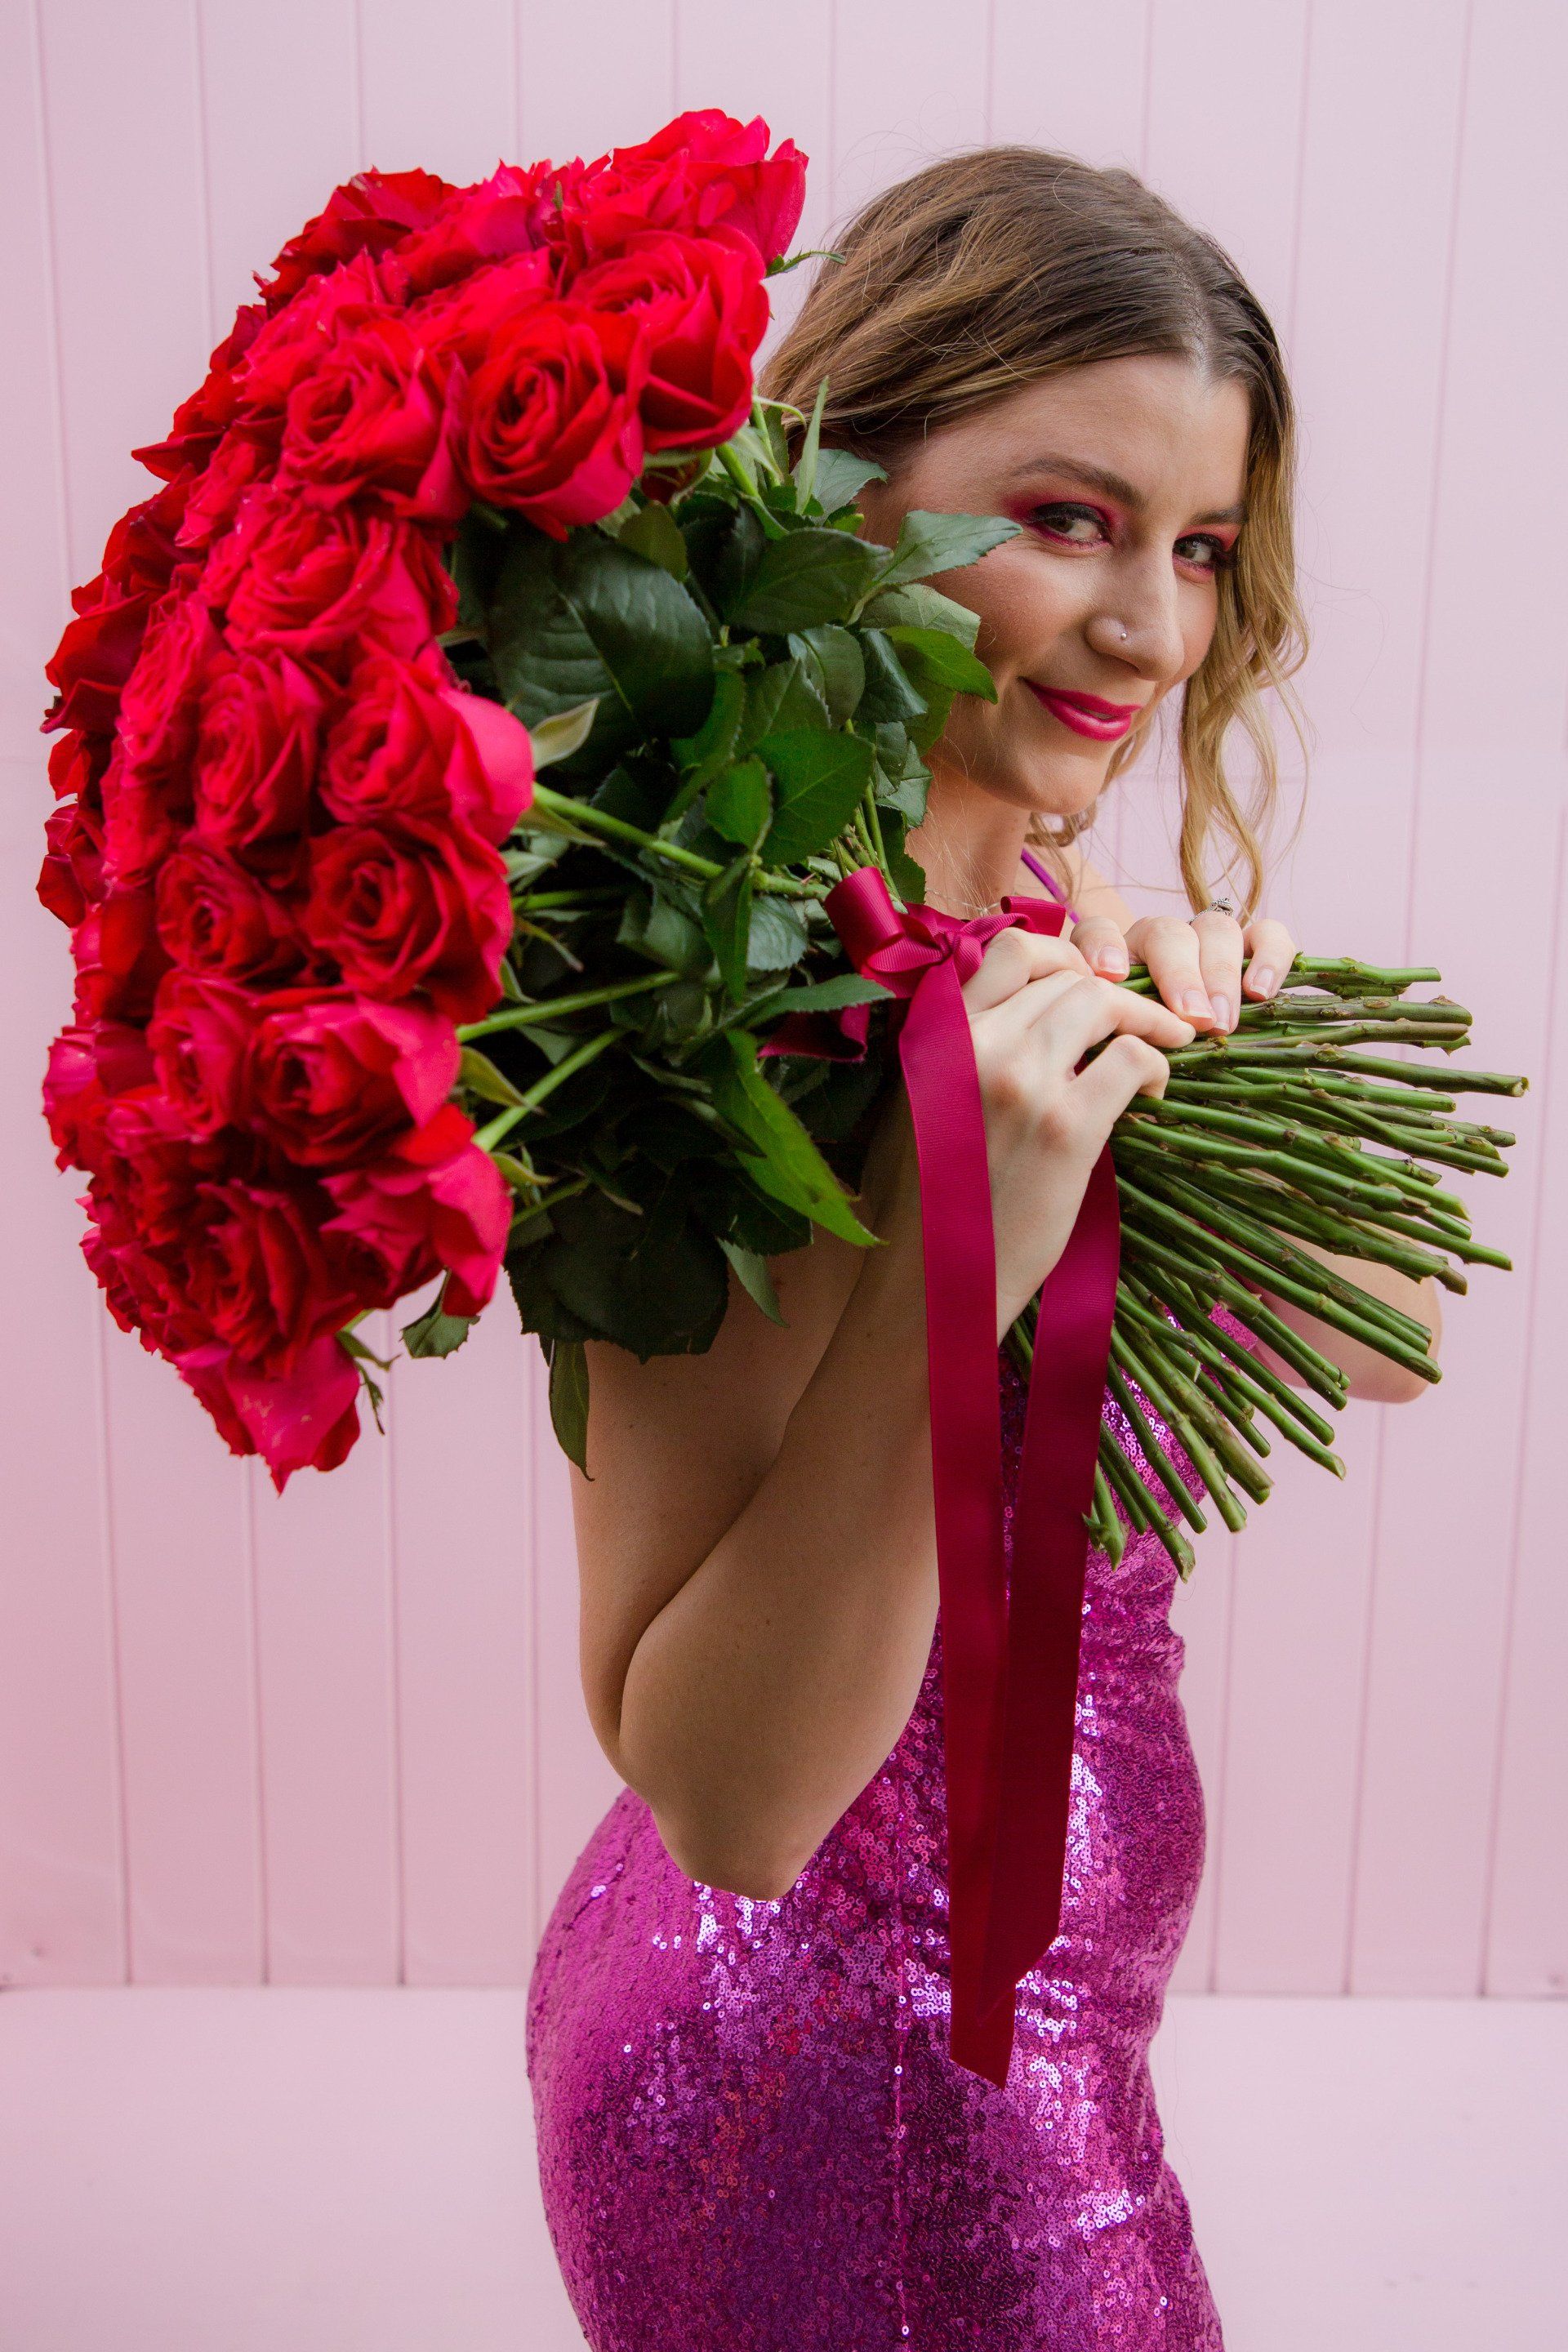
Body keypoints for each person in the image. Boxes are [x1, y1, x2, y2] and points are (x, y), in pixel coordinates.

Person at [525, 148, 1441, 2350]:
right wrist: (970, 1235)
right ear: (841, 502)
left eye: (1199, 546)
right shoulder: (704, 1033)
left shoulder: (1039, 957)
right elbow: (731, 1798)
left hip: (1002, 2043)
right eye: (1067, 518)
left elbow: (1393, 1333)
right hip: (866, 2099)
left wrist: (1209, 1043)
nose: (1151, 624)